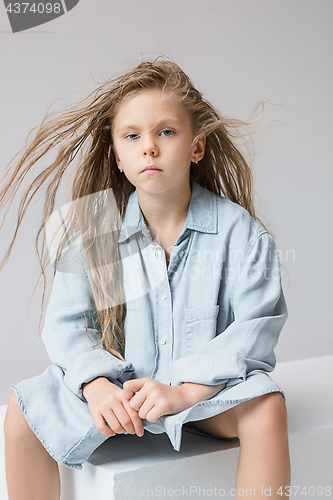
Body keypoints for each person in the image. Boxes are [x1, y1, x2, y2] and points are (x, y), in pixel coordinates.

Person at [2, 58, 290, 500]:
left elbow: (255, 329)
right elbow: (67, 323)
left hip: (200, 400)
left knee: (266, 406)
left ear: (197, 148)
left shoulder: (240, 232)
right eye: (132, 137)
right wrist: (97, 387)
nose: (149, 148)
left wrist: (183, 392)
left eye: (166, 132)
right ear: (117, 155)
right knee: (22, 409)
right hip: (120, 399)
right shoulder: (95, 229)